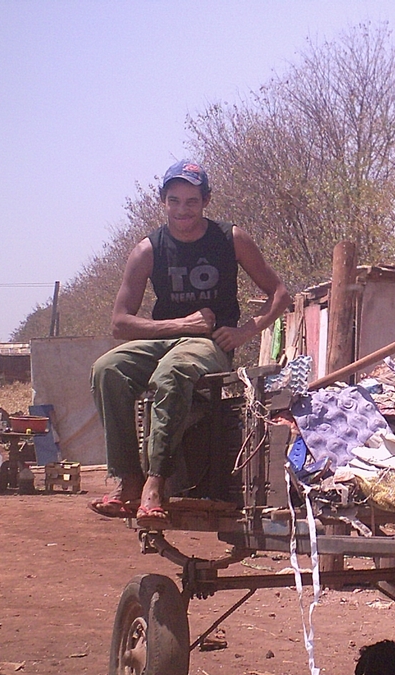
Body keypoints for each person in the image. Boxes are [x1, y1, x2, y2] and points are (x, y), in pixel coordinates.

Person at [90, 159, 290, 525]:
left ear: (206, 201)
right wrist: (181, 324)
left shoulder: (230, 239)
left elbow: (279, 293)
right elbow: (120, 323)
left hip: (208, 346)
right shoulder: (148, 250)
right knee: (107, 369)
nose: (182, 210)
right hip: (164, 339)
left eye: (191, 201)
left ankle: (155, 483)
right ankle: (128, 478)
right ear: (163, 201)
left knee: (173, 371)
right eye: (174, 201)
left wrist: (245, 331)